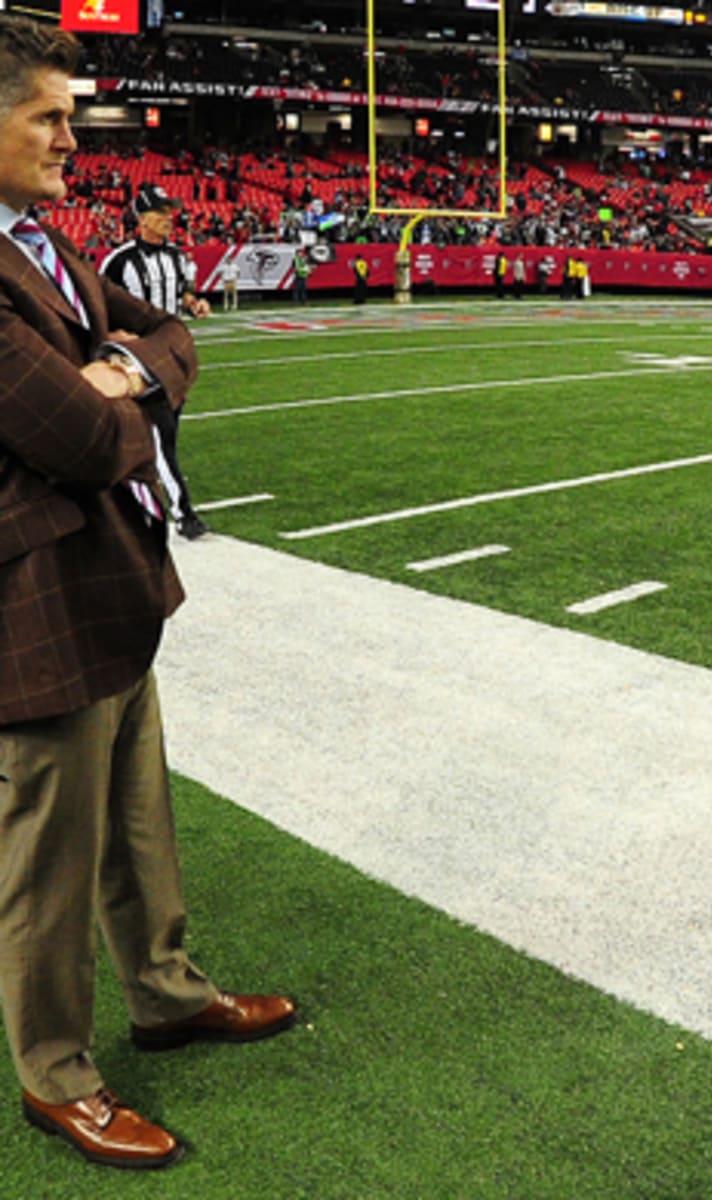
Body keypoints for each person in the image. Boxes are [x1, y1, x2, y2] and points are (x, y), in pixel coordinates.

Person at [0, 15, 295, 1172]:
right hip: (36, 594)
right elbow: (76, 438)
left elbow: (170, 339)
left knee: (137, 822)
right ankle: (55, 1074)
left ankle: (166, 995)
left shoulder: (44, 245)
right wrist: (125, 396)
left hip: (110, 577)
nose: (76, 136)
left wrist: (124, 368)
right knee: (50, 855)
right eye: (49, 116)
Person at [100, 183, 211, 540]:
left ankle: (127, 497)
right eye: (161, 213)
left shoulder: (176, 256)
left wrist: (194, 304)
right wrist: (115, 335)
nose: (168, 219)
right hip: (140, 360)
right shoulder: (119, 260)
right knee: (160, 436)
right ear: (142, 218)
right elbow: (98, 304)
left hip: (172, 354)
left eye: (169, 212)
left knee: (166, 436)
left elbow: (184, 291)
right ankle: (184, 514)